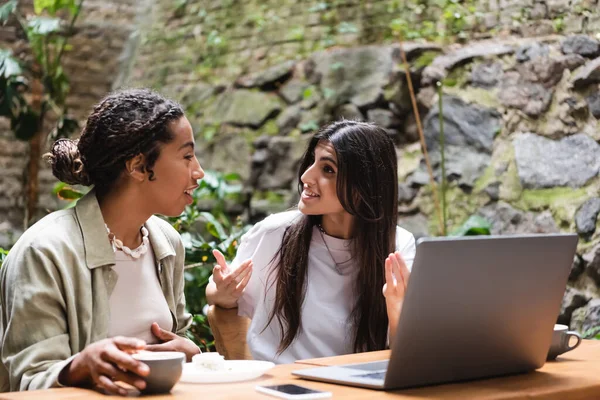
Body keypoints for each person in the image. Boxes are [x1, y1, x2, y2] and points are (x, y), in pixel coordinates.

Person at [0, 89, 204, 395]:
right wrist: (78, 367)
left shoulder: (166, 243)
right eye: (187, 156)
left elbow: (178, 349)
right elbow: (28, 379)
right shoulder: (45, 251)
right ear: (137, 166)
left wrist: (190, 352)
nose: (198, 171)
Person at [206, 120, 416, 364]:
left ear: (364, 186)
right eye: (312, 162)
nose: (306, 176)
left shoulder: (398, 245)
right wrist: (224, 292)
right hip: (282, 386)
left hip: (358, 387)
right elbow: (217, 297)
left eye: (328, 169)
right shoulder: (276, 234)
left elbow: (406, 356)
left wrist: (396, 309)